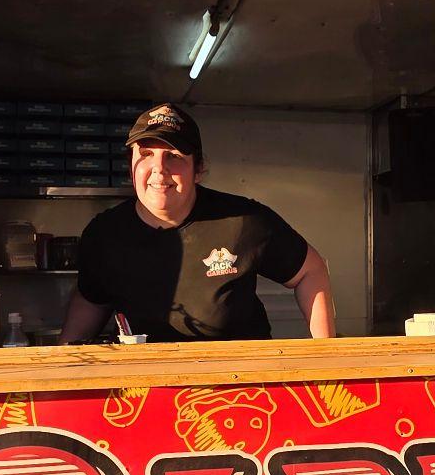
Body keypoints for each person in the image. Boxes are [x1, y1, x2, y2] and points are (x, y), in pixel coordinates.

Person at [61, 103, 335, 343]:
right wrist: (62, 365)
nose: (159, 168)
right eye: (146, 154)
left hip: (238, 387)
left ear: (199, 169)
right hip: (148, 388)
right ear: (130, 166)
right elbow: (91, 300)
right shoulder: (104, 234)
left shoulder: (243, 221)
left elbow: (311, 271)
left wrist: (325, 356)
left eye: (174, 156)